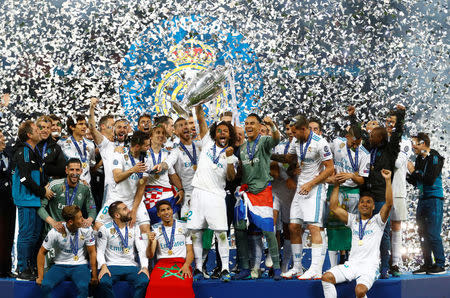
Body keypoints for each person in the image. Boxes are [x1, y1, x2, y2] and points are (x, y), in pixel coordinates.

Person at [271, 115, 334, 280]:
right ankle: (298, 267)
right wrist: (269, 155)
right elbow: (289, 158)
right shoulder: (296, 141)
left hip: (315, 189)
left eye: (294, 132)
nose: (292, 135)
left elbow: (329, 169)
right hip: (301, 188)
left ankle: (316, 269)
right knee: (293, 227)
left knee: (314, 227)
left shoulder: (321, 143)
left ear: (303, 129)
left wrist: (311, 184)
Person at [185, 106, 237, 282]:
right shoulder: (207, 142)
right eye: (219, 131)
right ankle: (199, 268)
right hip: (198, 193)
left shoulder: (233, 157)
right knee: (195, 232)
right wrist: (198, 103)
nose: (222, 133)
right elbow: (200, 119)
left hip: (216, 196)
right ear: (215, 134)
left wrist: (229, 158)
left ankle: (224, 268)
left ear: (230, 136)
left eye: (226, 131)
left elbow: (231, 177)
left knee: (221, 233)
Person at [321, 169, 393, 298]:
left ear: (373, 207)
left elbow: (388, 204)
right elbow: (333, 207)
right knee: (326, 278)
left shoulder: (378, 221)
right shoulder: (353, 220)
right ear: (358, 205)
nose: (364, 204)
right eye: (362, 202)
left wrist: (388, 180)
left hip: (370, 267)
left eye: (368, 202)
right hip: (352, 265)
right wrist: (336, 185)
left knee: (360, 291)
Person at [233, 113, 282, 281]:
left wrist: (273, 125)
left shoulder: (264, 141)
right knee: (240, 229)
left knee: (268, 231)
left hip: (263, 192)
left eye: (252, 123)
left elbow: (276, 139)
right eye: (246, 123)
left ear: (259, 126)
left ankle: (276, 267)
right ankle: (245, 267)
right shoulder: (242, 148)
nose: (248, 126)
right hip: (247, 194)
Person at [359, 105, 405, 278]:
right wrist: (353, 117)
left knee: (383, 233)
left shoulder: (390, 150)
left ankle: (384, 267)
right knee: (365, 232)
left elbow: (398, 134)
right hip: (366, 195)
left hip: (381, 197)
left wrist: (400, 114)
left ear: (380, 137)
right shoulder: (370, 149)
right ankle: (368, 266)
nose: (369, 138)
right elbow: (359, 136)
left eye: (372, 136)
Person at [12, 120, 54, 280]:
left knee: (35, 234)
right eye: (37, 129)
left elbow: (37, 176)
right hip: (26, 199)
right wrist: (43, 191)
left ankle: (31, 266)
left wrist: (45, 185)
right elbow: (24, 178)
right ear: (29, 134)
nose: (41, 130)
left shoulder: (33, 151)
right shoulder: (23, 151)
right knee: (26, 234)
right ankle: (22, 268)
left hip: (35, 199)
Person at [325, 124, 370, 268]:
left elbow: (362, 179)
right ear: (347, 137)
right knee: (332, 228)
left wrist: (350, 175)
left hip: (353, 192)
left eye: (358, 143)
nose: (355, 146)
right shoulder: (336, 143)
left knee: (353, 229)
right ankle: (332, 267)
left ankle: (351, 265)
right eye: (353, 143)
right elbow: (324, 159)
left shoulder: (365, 154)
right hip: (335, 189)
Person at [96, 130, 151, 234]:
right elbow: (117, 177)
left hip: (134, 200)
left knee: (145, 229)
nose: (149, 148)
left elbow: (141, 188)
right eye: (147, 146)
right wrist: (132, 170)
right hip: (117, 198)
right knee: (98, 226)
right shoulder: (119, 154)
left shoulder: (146, 160)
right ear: (138, 146)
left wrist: (134, 211)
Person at [36, 205, 98, 298]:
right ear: (70, 222)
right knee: (46, 285)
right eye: (80, 217)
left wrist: (94, 275)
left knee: (83, 287)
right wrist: (40, 276)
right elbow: (41, 252)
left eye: (82, 216)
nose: (83, 220)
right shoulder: (56, 231)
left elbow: (92, 252)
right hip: (59, 265)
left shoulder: (86, 229)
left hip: (79, 265)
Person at [407, 133, 446, 275]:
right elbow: (417, 182)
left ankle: (440, 264)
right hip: (422, 199)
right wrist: (406, 174)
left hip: (434, 199)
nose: (412, 146)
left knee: (433, 232)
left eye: (415, 143)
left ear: (423, 143)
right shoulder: (419, 159)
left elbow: (429, 180)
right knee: (422, 232)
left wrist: (413, 171)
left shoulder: (435, 157)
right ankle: (427, 264)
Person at [133, 124, 184, 225]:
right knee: (154, 228)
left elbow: (172, 174)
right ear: (151, 136)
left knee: (172, 225)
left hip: (167, 193)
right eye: (158, 133)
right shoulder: (143, 154)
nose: (161, 135)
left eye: (163, 134)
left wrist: (181, 189)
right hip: (149, 194)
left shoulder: (167, 154)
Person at [97, 201, 149, 298]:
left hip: (131, 266)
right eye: (125, 209)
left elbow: (141, 249)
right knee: (103, 282)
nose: (129, 210)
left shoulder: (134, 227)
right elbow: (100, 251)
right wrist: (103, 266)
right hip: (112, 265)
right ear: (117, 215)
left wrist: (144, 267)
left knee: (144, 280)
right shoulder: (105, 229)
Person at [384, 109, 413, 276]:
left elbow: (395, 163)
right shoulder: (382, 140)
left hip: (397, 190)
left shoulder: (405, 142)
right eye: (388, 122)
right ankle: (382, 261)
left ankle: (395, 261)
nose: (389, 125)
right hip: (382, 190)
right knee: (382, 226)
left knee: (395, 226)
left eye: (392, 122)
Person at [145, 200, 194, 298]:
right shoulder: (155, 229)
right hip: (162, 264)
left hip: (181, 264)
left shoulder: (184, 226)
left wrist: (186, 265)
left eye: (168, 209)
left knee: (184, 286)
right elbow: (150, 255)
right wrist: (150, 242)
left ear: (172, 210)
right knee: (154, 286)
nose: (166, 212)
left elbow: (190, 251)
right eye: (162, 210)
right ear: (158, 214)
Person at [38, 158, 97, 236]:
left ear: (81, 171)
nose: (75, 173)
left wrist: (89, 220)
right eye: (72, 169)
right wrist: (53, 223)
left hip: (74, 232)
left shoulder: (85, 188)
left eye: (77, 170)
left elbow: (92, 207)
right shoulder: (54, 186)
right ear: (66, 170)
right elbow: (40, 207)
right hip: (55, 231)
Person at [89, 97, 129, 205]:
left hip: (130, 192)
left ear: (128, 130)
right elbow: (92, 129)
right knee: (102, 222)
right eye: (118, 127)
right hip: (111, 192)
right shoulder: (106, 145)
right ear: (114, 130)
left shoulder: (133, 146)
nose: (122, 129)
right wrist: (92, 108)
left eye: (125, 127)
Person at [161, 117, 201, 220]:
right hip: (188, 195)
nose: (185, 127)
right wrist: (163, 165)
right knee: (189, 231)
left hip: (203, 192)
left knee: (208, 228)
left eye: (186, 124)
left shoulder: (199, 146)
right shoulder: (175, 150)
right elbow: (169, 162)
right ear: (176, 131)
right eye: (181, 125)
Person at [271, 119, 297, 274]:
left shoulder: (303, 147)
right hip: (277, 189)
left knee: (290, 229)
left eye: (292, 129)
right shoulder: (279, 147)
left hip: (293, 192)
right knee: (272, 225)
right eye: (287, 129)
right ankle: (274, 259)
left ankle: (286, 264)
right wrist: (287, 176)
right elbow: (274, 166)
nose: (290, 132)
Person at [58, 115, 96, 183]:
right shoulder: (62, 143)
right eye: (80, 124)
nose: (84, 126)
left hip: (86, 185)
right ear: (72, 127)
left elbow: (92, 164)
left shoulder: (91, 144)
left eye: (85, 124)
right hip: (68, 185)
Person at [0, 129, 15, 277]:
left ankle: (6, 268)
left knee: (8, 235)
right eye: (0, 136)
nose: (3, 139)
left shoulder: (8, 153)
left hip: (10, 202)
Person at [36, 115, 66, 180]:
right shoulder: (30, 144)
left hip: (49, 185)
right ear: (37, 128)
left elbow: (62, 169)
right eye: (43, 127)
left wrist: (44, 167)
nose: (45, 130)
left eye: (48, 128)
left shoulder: (57, 146)